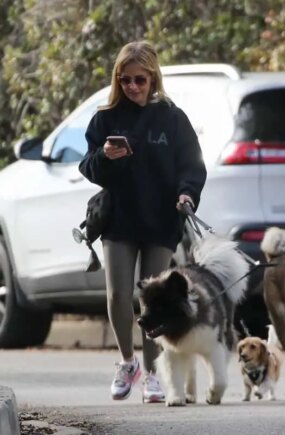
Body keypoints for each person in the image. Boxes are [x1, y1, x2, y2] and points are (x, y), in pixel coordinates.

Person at [78, 41, 207, 403]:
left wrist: (187, 194)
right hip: (119, 217)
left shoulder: (172, 117)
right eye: (126, 80)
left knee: (156, 300)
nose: (133, 87)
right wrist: (104, 156)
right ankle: (127, 362)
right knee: (119, 293)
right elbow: (87, 167)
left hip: (162, 219)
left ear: (153, 79)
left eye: (140, 80)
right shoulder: (105, 118)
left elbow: (192, 166)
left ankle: (153, 373)